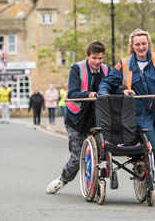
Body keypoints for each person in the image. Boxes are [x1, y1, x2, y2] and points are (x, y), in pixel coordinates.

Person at [99, 29, 155, 203]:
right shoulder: (124, 64)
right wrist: (116, 92)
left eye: (144, 43)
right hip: (140, 114)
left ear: (148, 44)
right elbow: (107, 83)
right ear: (132, 46)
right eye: (137, 44)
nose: (141, 47)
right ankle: (145, 174)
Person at [46, 41, 113, 196]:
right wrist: (89, 94)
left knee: (99, 154)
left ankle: (94, 184)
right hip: (76, 120)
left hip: (96, 120)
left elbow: (113, 86)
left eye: (100, 58)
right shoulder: (77, 69)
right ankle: (62, 180)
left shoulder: (106, 69)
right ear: (87, 56)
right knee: (77, 158)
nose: (97, 62)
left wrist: (124, 90)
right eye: (94, 58)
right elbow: (72, 93)